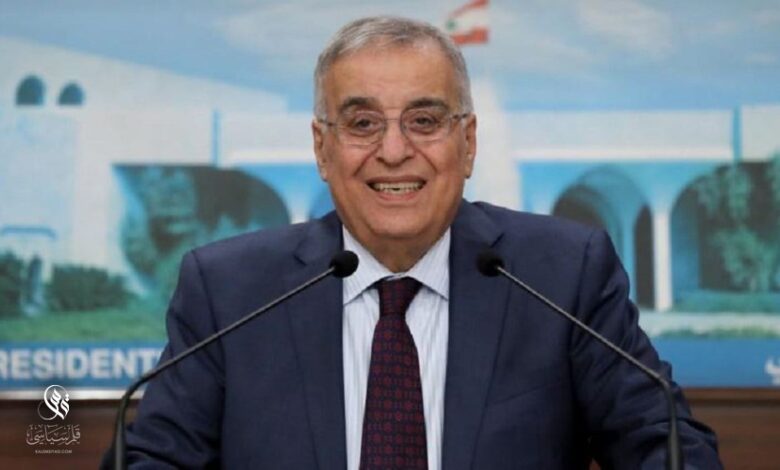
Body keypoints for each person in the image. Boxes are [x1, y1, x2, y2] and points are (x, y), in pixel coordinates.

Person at [117, 16, 722, 469]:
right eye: (362, 123)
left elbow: (662, 442)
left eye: (425, 121)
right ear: (322, 148)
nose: (394, 151)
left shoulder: (562, 275)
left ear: (468, 143)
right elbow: (154, 458)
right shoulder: (229, 292)